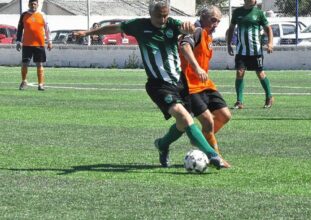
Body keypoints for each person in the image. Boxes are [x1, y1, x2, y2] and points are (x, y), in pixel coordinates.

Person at [73, 0, 228, 169]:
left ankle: (162, 144)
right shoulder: (139, 26)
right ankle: (213, 156)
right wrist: (88, 32)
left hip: (179, 81)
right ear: (150, 14)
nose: (163, 19)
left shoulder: (172, 24)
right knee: (184, 117)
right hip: (157, 84)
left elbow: (185, 28)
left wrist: (188, 28)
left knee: (182, 124)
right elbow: (114, 28)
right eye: (159, 16)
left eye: (165, 15)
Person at [179, 6, 231, 166]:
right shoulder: (197, 31)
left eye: (218, 21)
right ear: (203, 17)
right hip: (190, 86)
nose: (215, 24)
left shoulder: (208, 35)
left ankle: (201, 141)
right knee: (208, 121)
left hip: (205, 84)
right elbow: (184, 46)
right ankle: (216, 156)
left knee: (224, 116)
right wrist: (196, 67)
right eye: (213, 20)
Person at [226, 0, 274, 109]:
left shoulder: (259, 13)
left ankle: (269, 96)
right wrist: (228, 44)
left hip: (256, 51)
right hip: (241, 51)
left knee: (260, 73)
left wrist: (270, 43)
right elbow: (232, 28)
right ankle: (239, 101)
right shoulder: (237, 12)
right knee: (239, 72)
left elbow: (268, 29)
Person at [16, 0, 52, 91]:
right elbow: (20, 29)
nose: (33, 5)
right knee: (25, 64)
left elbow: (47, 29)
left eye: (35, 4)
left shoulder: (42, 15)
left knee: (39, 64)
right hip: (27, 44)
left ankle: (41, 84)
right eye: (31, 3)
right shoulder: (24, 15)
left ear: (37, 5)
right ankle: (24, 81)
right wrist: (18, 41)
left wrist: (49, 41)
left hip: (39, 44)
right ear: (28, 4)